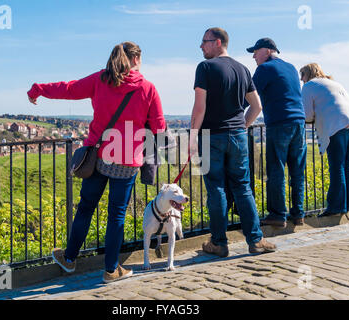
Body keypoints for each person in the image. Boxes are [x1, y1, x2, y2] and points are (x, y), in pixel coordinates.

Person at [27, 41, 166, 283]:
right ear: (136, 60)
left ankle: (69, 258)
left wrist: (39, 89)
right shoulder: (148, 88)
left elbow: (68, 89)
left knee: (86, 208)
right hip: (127, 160)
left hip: (100, 155)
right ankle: (111, 270)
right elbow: (160, 128)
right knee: (116, 216)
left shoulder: (101, 80)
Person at [190, 27, 276, 257]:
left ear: (217, 42)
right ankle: (255, 240)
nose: (201, 46)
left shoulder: (205, 67)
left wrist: (192, 137)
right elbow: (256, 106)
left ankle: (219, 242)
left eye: (204, 41)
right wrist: (243, 127)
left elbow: (200, 107)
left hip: (210, 136)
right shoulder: (243, 69)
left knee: (216, 188)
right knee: (242, 187)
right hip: (237, 135)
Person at [247, 38, 306, 227]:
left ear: (266, 50)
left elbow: (248, 95)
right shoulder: (290, 67)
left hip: (279, 123)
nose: (254, 56)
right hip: (299, 123)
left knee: (276, 170)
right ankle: (298, 214)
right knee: (297, 171)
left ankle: (278, 215)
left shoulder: (265, 69)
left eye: (255, 52)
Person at [300, 63, 349, 218]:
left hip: (339, 125)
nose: (301, 80)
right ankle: (347, 205)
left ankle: (336, 207)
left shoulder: (309, 86)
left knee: (337, 166)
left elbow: (307, 115)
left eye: (302, 76)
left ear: (307, 74)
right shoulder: (333, 82)